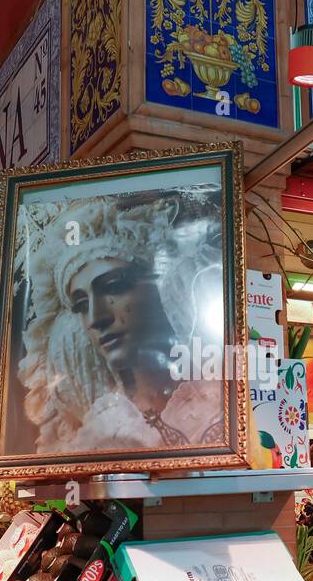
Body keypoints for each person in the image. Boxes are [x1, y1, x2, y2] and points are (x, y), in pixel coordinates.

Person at [18, 193, 227, 455]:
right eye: (81, 305)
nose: (97, 318)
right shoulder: (102, 426)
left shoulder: (217, 397)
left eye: (114, 287)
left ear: (156, 286)